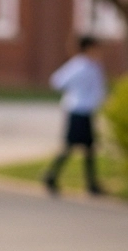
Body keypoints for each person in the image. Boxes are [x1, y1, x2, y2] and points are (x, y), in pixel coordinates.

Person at [44, 36, 106, 195]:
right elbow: (57, 81)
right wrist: (76, 91)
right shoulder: (78, 66)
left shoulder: (94, 66)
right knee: (70, 146)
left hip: (87, 111)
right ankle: (51, 175)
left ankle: (91, 183)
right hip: (77, 109)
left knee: (89, 148)